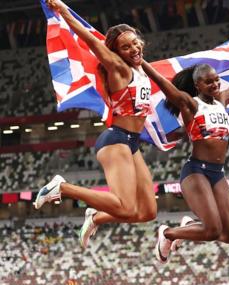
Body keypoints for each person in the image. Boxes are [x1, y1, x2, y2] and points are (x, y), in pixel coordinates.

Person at [35, 0, 158, 248]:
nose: (133, 48)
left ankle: (96, 217)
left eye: (135, 42)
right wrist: (63, 11)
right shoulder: (118, 69)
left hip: (132, 143)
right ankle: (63, 187)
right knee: (124, 206)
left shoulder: (143, 70)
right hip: (116, 141)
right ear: (116, 52)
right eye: (126, 47)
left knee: (147, 212)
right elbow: (91, 42)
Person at [140, 44, 229, 263]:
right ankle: (168, 233)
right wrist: (140, 62)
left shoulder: (222, 101)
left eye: (216, 80)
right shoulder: (191, 105)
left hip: (218, 174)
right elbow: (162, 83)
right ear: (197, 85)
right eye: (209, 82)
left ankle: (188, 226)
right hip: (196, 172)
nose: (215, 84)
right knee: (211, 230)